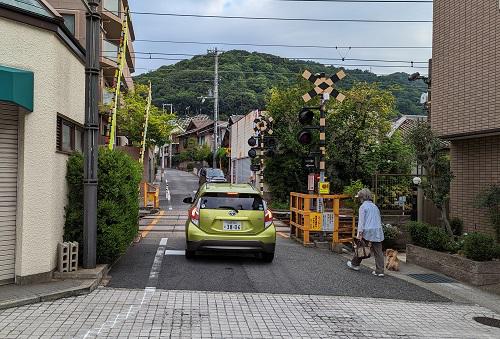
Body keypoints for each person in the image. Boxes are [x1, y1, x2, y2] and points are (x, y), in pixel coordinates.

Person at [347, 188, 385, 277]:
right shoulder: (375, 206)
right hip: (377, 229)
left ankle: (355, 264)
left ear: (361, 198)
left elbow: (361, 222)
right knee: (378, 251)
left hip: (367, 229)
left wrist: (359, 233)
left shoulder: (363, 207)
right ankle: (380, 271)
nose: (359, 199)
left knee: (361, 247)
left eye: (359, 198)